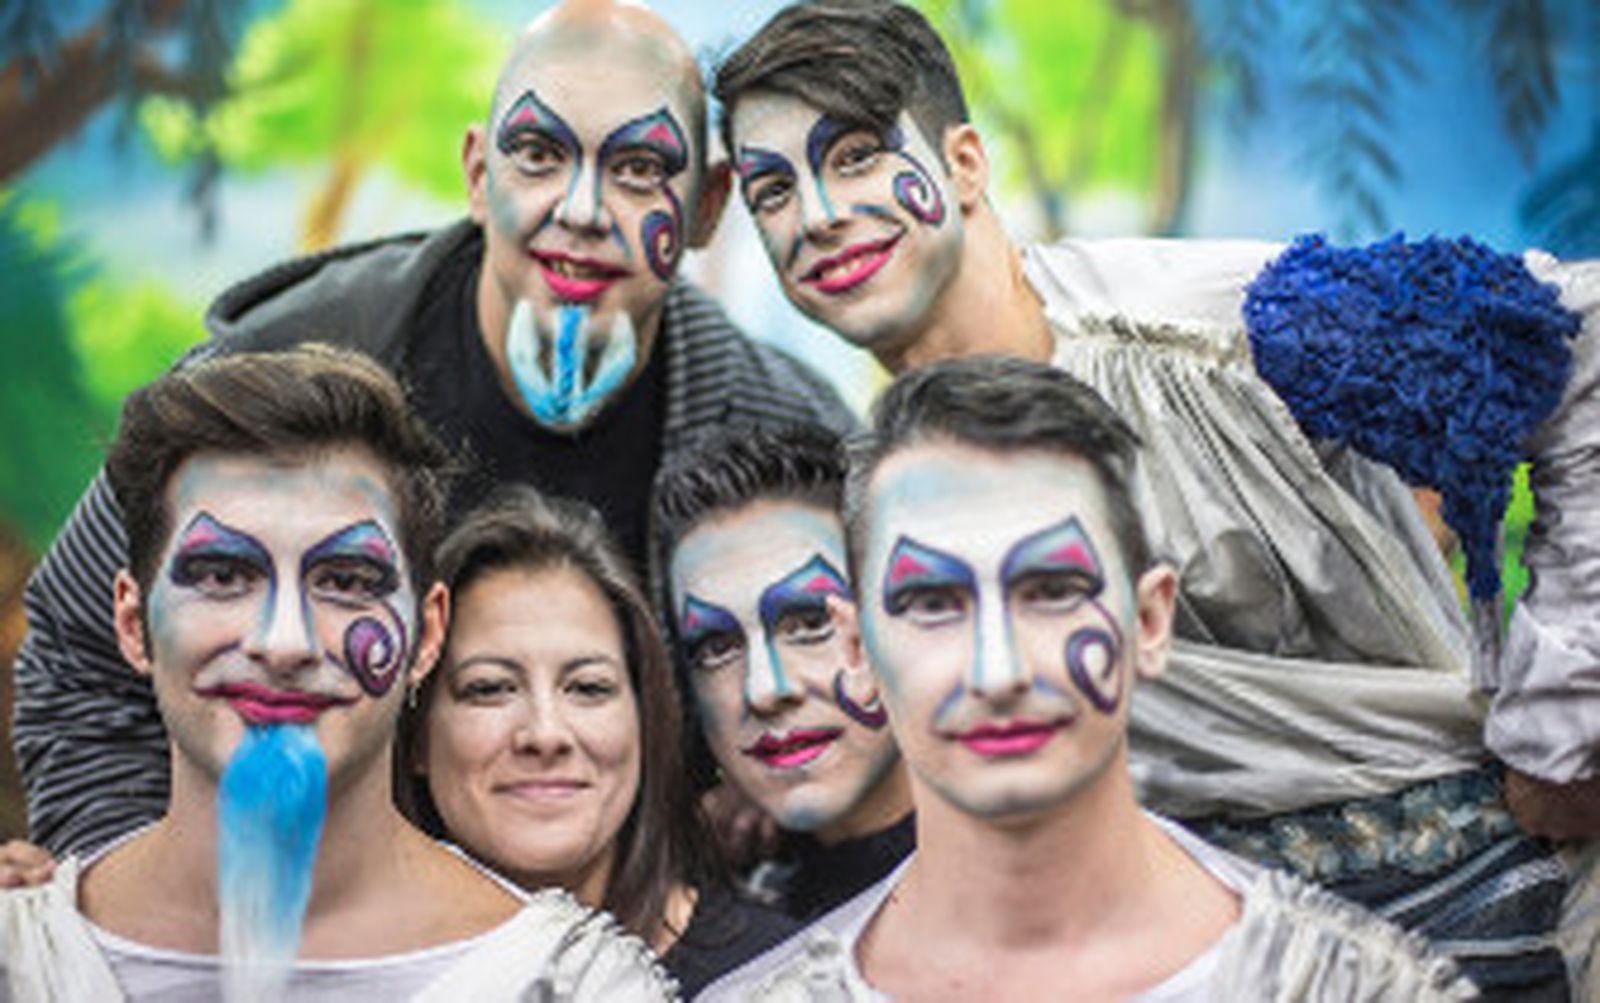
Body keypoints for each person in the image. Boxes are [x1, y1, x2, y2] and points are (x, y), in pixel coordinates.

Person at [713, 2, 1598, 993]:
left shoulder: (1212, 329)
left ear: (963, 164)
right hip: (1189, 951)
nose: (817, 214)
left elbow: (1583, 343)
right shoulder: (886, 480)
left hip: (1466, 898)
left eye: (856, 156)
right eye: (771, 190)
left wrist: (1563, 718)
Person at [16, 0, 856, 861]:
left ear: (708, 204)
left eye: (640, 169)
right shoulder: (275, 369)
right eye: (538, 154)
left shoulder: (786, 435)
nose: (581, 208)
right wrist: (129, 903)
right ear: (475, 172)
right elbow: (78, 657)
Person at [703, 355, 1474, 1001]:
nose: (997, 669)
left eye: (1051, 590)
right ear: (857, 651)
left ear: (1149, 621)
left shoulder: (1353, 987)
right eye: (932, 601)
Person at [0, 346, 673, 1001]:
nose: (284, 641)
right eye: (224, 575)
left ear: (428, 633)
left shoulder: (573, 985)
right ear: (132, 622)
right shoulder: (20, 961)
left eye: (347, 580)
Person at [395, 486, 797, 998]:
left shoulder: (777, 979)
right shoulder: (328, 973)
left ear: (645, 722)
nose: (545, 734)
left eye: (588, 688)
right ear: (415, 741)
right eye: (490, 688)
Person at [653, 425, 914, 920]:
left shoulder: (1040, 871)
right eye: (716, 647)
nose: (765, 689)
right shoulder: (705, 932)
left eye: (812, 624)